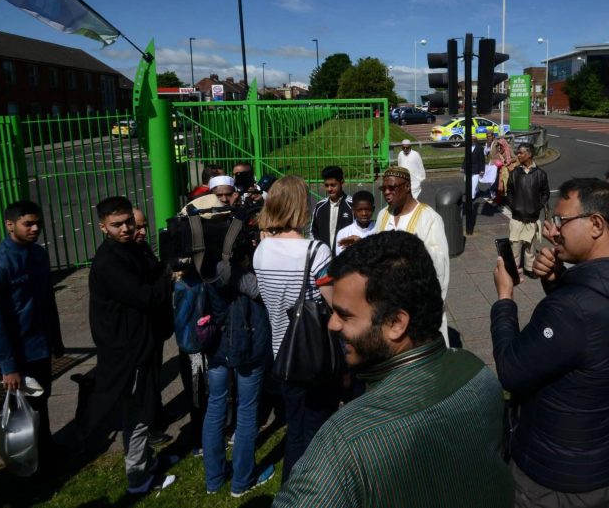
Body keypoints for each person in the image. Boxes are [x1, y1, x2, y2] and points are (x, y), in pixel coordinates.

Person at [274, 231, 513, 507]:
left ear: (396, 323)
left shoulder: (345, 441)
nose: (332, 325)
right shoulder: (478, 374)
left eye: (345, 315)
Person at [492, 178, 609, 508]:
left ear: (595, 224)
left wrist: (505, 298)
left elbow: (511, 370)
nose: (554, 230)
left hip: (559, 475)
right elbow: (595, 340)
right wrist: (559, 280)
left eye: (562, 221)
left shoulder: (572, 310)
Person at [83, 196, 176, 494]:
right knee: (136, 416)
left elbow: (151, 274)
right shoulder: (110, 261)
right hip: (127, 352)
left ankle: (147, 463)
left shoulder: (129, 250)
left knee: (144, 409)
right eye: (117, 225)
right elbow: (145, 296)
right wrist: (169, 278)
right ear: (102, 227)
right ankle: (137, 478)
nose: (125, 229)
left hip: (139, 344)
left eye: (129, 223)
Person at [253, 176, 339, 482]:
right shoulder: (316, 251)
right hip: (315, 355)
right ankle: (314, 490)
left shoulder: (260, 251)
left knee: (296, 429)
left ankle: (291, 489)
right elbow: (335, 303)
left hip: (282, 354)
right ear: (300, 205)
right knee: (317, 428)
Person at [0, 200, 64, 463]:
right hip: (18, 352)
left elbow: (47, 302)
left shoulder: (38, 255)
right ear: (9, 225)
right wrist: (8, 366)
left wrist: (55, 340)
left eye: (38, 223)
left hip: (40, 344)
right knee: (23, 410)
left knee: (41, 400)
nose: (35, 228)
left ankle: (45, 451)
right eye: (28, 224)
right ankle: (27, 460)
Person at [202, 240, 275, 497]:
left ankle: (214, 479)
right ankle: (242, 480)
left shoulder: (204, 264)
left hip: (216, 348)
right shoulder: (235, 273)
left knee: (216, 407)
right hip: (247, 348)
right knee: (246, 410)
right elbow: (262, 292)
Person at [375, 166, 450, 309]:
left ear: (407, 186)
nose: (386, 193)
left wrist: (411, 251)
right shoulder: (382, 215)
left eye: (392, 188)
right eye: (383, 189)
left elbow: (441, 263)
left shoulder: (430, 218)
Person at [133, 208, 174, 449]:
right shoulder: (126, 256)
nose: (140, 231)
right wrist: (165, 278)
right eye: (136, 226)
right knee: (144, 381)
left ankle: (155, 415)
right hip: (140, 330)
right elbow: (145, 293)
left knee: (154, 375)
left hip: (153, 326)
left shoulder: (143, 248)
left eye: (143, 226)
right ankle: (146, 426)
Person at [506, 143, 550, 277]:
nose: (518, 155)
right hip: (517, 217)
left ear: (529, 154)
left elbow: (545, 193)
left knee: (530, 246)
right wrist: (513, 206)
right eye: (518, 153)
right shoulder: (515, 173)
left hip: (532, 217)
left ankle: (529, 268)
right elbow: (509, 192)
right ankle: (514, 270)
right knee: (515, 246)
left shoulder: (540, 174)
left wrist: (538, 206)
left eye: (521, 153)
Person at [310, 166, 353, 255]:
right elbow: (313, 231)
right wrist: (320, 250)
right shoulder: (320, 206)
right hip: (323, 258)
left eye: (333, 185)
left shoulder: (352, 205)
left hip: (346, 258)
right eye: (326, 185)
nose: (329, 189)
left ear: (342, 183)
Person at [334, 190, 376, 254]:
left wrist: (360, 243)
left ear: (373, 209)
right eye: (359, 210)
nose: (364, 213)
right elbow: (341, 259)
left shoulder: (380, 229)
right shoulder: (343, 233)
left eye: (367, 209)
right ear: (353, 210)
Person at [487, 131, 514, 199]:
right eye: (498, 145)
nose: (499, 147)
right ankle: (499, 198)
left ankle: (509, 197)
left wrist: (507, 162)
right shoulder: (500, 151)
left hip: (508, 170)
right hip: (501, 171)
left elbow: (514, 158)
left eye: (500, 145)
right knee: (500, 184)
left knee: (507, 184)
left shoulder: (508, 150)